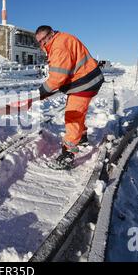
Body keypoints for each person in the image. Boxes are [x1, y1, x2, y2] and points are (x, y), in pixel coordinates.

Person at [35, 25, 104, 169]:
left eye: (44, 39)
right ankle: (82, 137)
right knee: (78, 111)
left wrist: (41, 91)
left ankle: (68, 155)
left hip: (84, 82)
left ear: (51, 34)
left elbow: (58, 77)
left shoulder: (58, 46)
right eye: (39, 42)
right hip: (86, 79)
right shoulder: (63, 39)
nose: (42, 44)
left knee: (72, 116)